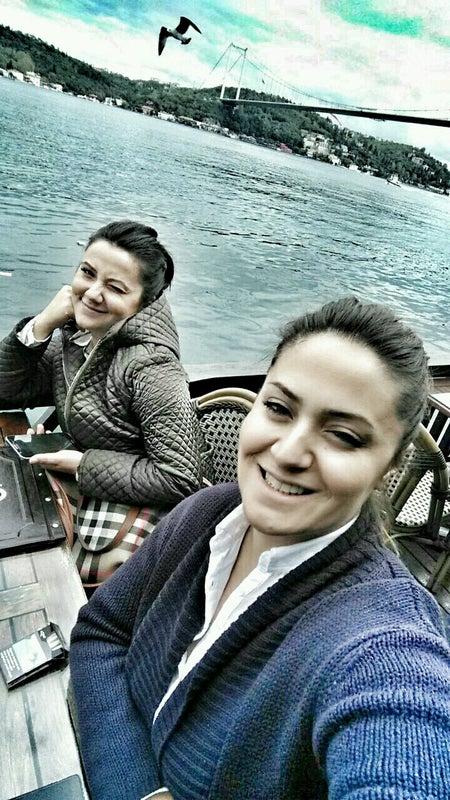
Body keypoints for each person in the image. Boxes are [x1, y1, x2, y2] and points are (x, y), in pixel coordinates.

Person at [69, 296, 450, 800]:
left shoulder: (383, 642)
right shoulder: (206, 514)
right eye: (278, 408)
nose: (288, 452)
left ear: (389, 466)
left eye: (343, 435)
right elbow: (102, 631)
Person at [0, 219, 206, 542]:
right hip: (87, 492)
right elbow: (6, 391)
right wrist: (40, 327)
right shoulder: (78, 337)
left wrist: (82, 464)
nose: (93, 293)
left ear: (144, 302)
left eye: (116, 288)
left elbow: (181, 477)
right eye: (87, 272)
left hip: (138, 525)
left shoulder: (153, 367)